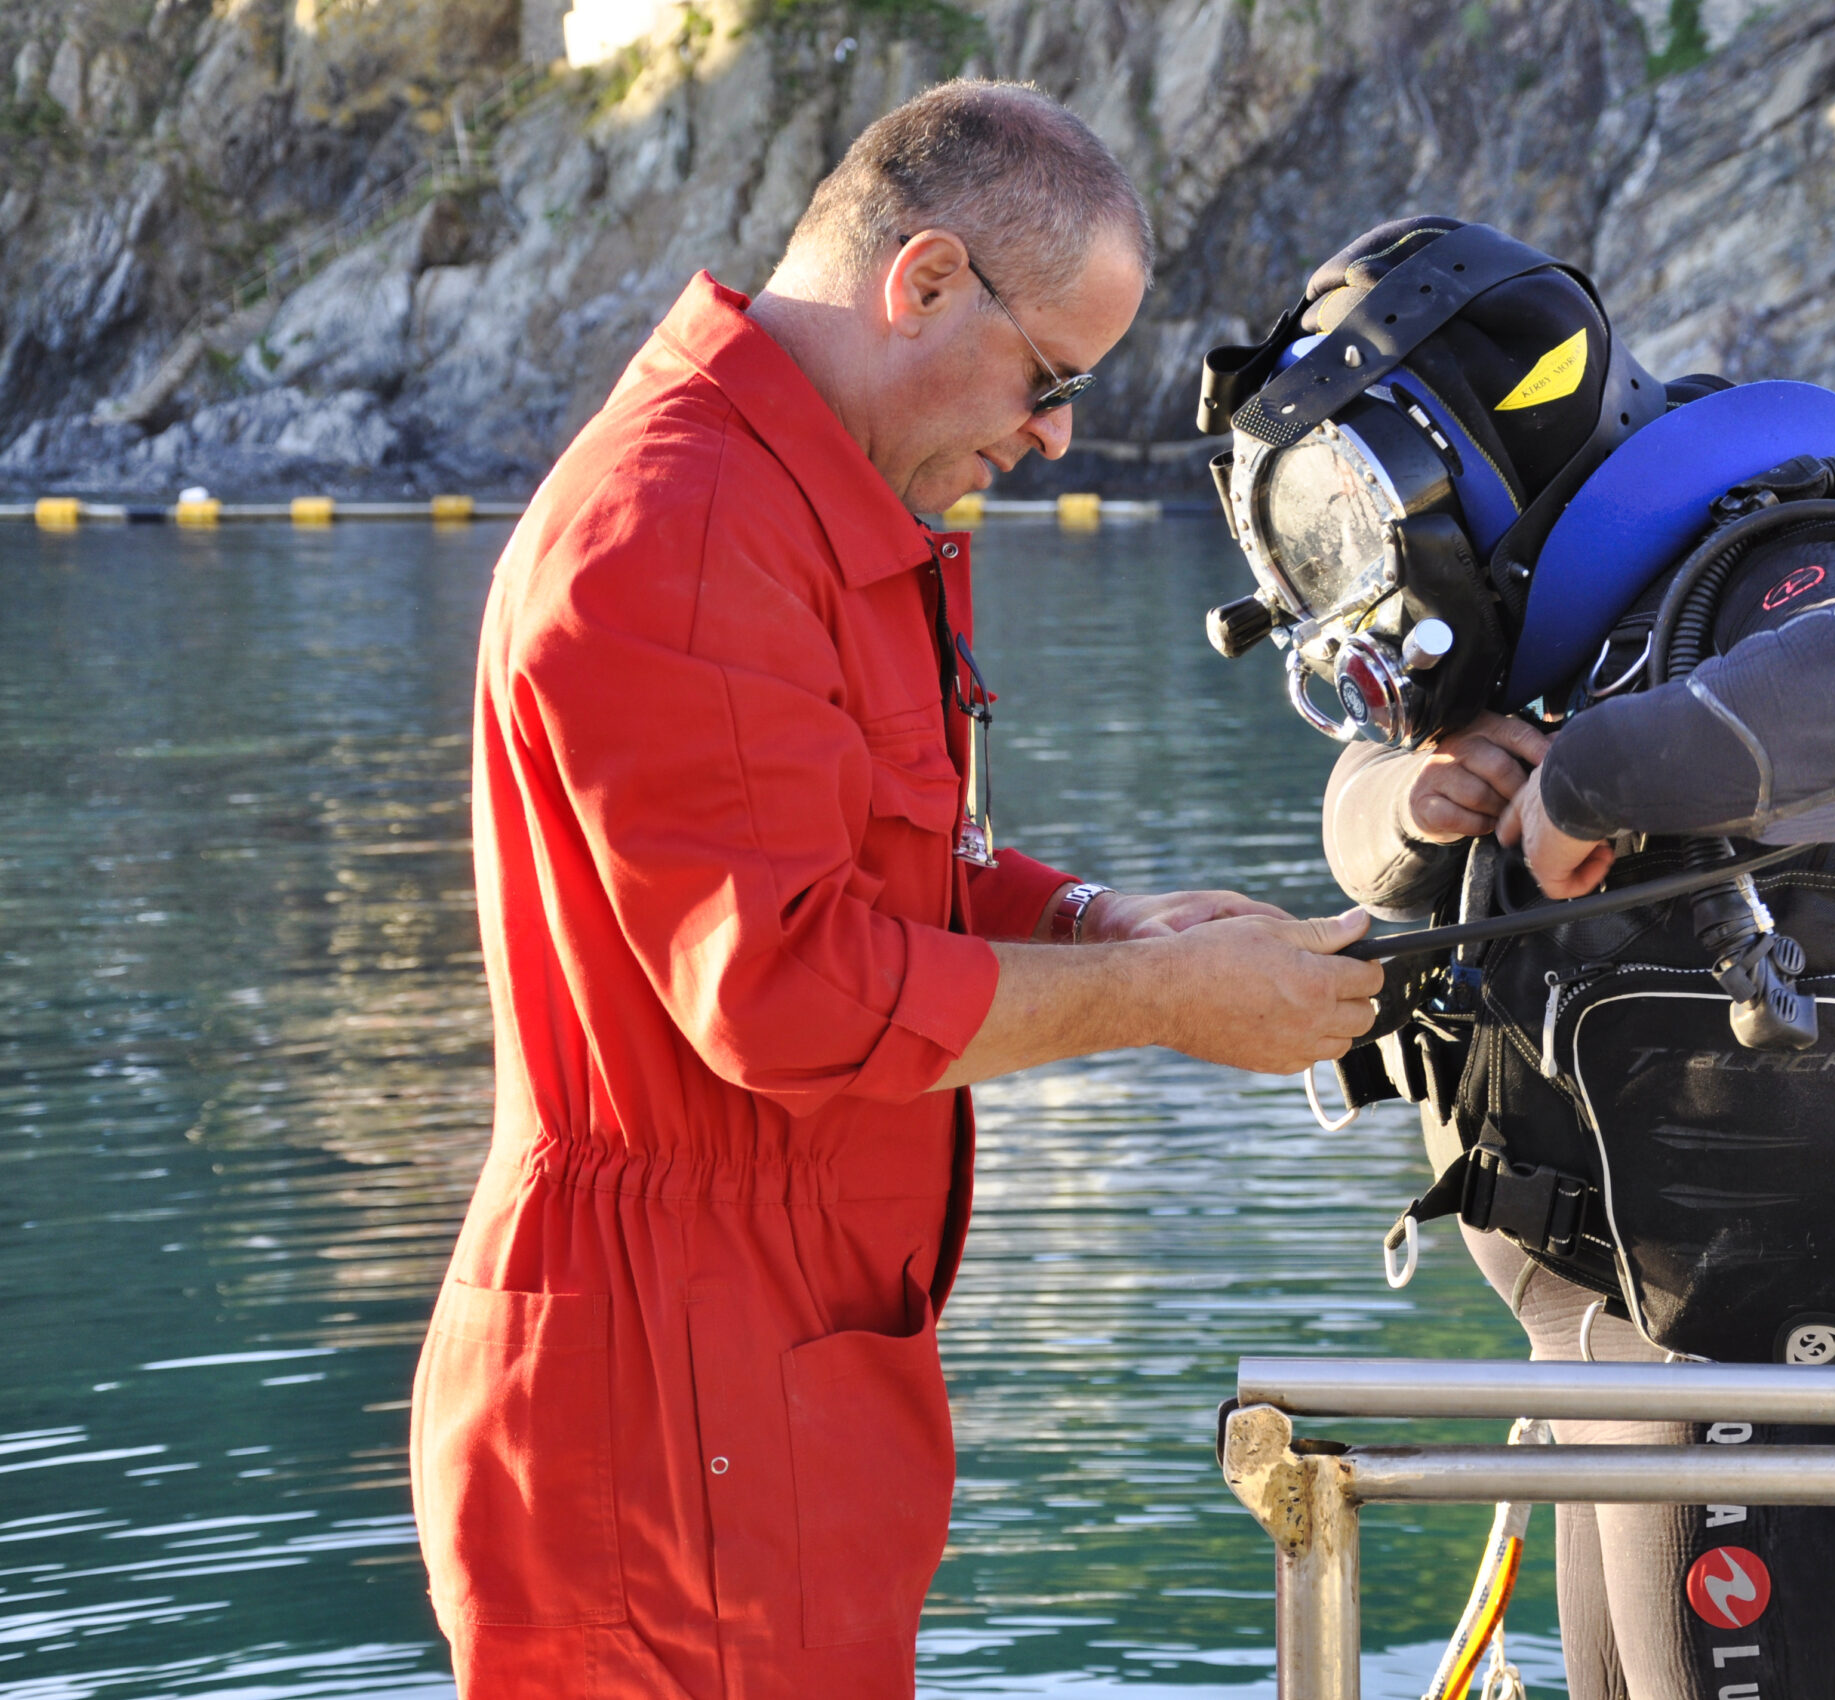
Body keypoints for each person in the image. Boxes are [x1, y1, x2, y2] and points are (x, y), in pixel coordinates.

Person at [410, 81, 1383, 1699]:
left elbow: (887, 863)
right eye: (1051, 377)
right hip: (667, 1405)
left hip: (771, 1377)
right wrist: (1163, 1003)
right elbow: (786, 990)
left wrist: (1103, 924)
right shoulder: (686, 525)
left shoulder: (805, 505)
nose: (1060, 433)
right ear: (922, 281)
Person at [1197, 217, 1835, 1699]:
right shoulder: (1569, 642)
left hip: (1768, 1373)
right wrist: (1421, 791)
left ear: (1454, 463)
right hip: (1610, 1351)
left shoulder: (1789, 566)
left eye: (1347, 524)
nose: (1354, 594)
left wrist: (1586, 786)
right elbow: (1362, 822)